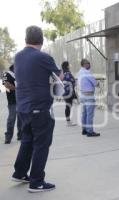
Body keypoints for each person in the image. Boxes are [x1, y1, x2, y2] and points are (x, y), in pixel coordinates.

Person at [12, 26, 63, 193]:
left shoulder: (18, 57)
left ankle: (19, 172)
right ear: (41, 40)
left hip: (23, 108)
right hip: (40, 108)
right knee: (42, 144)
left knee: (27, 140)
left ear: (26, 39)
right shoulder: (43, 57)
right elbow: (59, 76)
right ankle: (37, 182)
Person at [77, 59, 100, 137]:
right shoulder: (87, 72)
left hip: (82, 95)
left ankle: (84, 129)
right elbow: (95, 83)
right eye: (88, 63)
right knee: (90, 114)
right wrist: (98, 83)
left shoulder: (79, 72)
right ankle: (90, 131)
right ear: (84, 64)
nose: (89, 64)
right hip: (89, 95)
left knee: (84, 113)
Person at [2, 64, 22, 144]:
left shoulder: (19, 75)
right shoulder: (6, 74)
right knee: (11, 119)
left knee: (21, 119)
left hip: (21, 100)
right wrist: (16, 88)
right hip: (12, 101)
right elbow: (6, 85)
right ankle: (8, 137)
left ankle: (20, 135)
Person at [62, 61, 77, 126]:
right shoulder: (67, 73)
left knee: (68, 106)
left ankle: (68, 121)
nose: (70, 66)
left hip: (64, 92)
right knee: (68, 106)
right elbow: (73, 81)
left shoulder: (62, 73)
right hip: (68, 92)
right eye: (69, 65)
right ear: (67, 66)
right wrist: (74, 82)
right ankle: (68, 121)